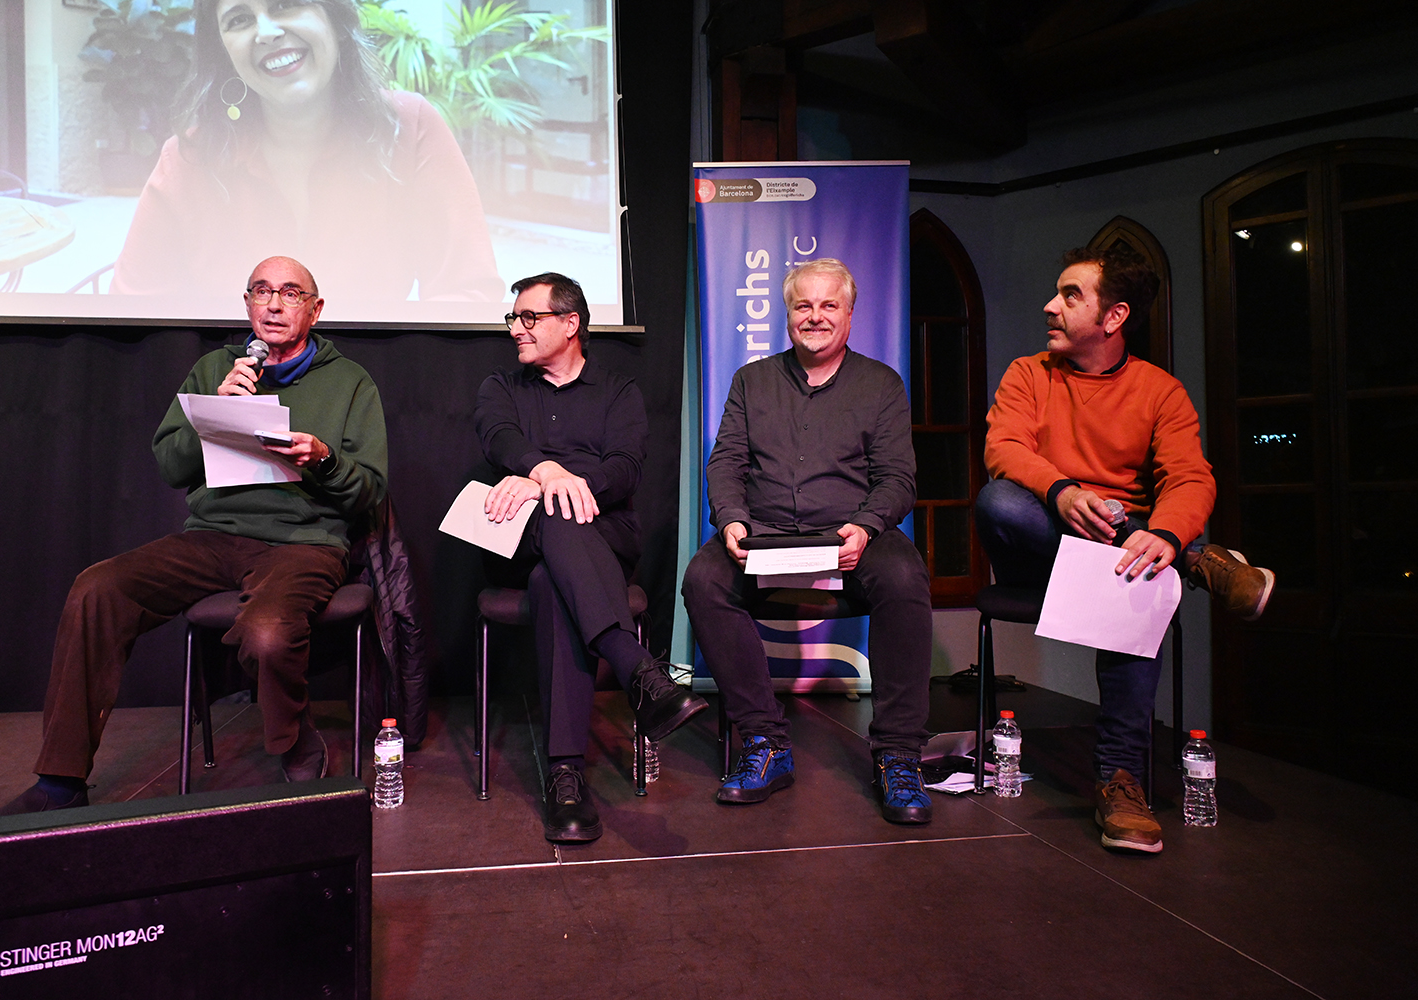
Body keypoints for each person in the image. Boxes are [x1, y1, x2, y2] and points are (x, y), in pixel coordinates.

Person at [0, 255, 387, 814]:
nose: (274, 304)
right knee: (96, 588)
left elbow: (370, 492)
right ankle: (61, 778)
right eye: (261, 291)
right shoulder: (215, 369)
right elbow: (170, 466)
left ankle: (295, 739)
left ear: (315, 309)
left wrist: (323, 459)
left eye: (290, 293)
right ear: (247, 304)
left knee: (268, 633)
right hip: (213, 536)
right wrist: (213, 420)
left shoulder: (350, 382)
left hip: (304, 542)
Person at [977, 244, 1274, 854]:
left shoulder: (1160, 391)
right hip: (1038, 552)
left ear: (1113, 317)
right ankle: (1198, 562)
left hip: (1121, 559)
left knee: (1136, 578)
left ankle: (1120, 780)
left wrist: (1164, 535)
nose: (1050, 306)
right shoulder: (1028, 374)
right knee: (1000, 502)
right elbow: (1003, 448)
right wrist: (1061, 492)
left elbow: (1190, 478)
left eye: (1070, 296)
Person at [681, 259, 936, 825]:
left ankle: (898, 755)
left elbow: (898, 477)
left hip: (853, 531)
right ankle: (765, 742)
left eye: (828, 306)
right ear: (788, 314)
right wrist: (731, 520)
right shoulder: (752, 380)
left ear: (849, 314)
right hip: (766, 531)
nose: (815, 317)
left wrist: (866, 526)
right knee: (703, 580)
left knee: (903, 576)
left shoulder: (881, 384)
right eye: (803, 305)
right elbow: (727, 462)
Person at [476, 272, 706, 843]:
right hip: (521, 535)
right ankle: (639, 672)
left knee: (553, 580)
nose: (516, 329)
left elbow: (625, 468)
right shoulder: (501, 386)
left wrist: (560, 486)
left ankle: (565, 775)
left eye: (529, 317)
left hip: (606, 534)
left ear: (570, 323)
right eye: (513, 318)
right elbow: (498, 436)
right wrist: (544, 472)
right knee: (553, 520)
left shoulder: (618, 391)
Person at [111, 0, 502, 309]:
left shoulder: (409, 128)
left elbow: (467, 294)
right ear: (223, 52)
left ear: (336, 20)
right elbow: (133, 316)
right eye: (239, 19)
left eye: (286, 4)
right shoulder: (189, 158)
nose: (266, 32)